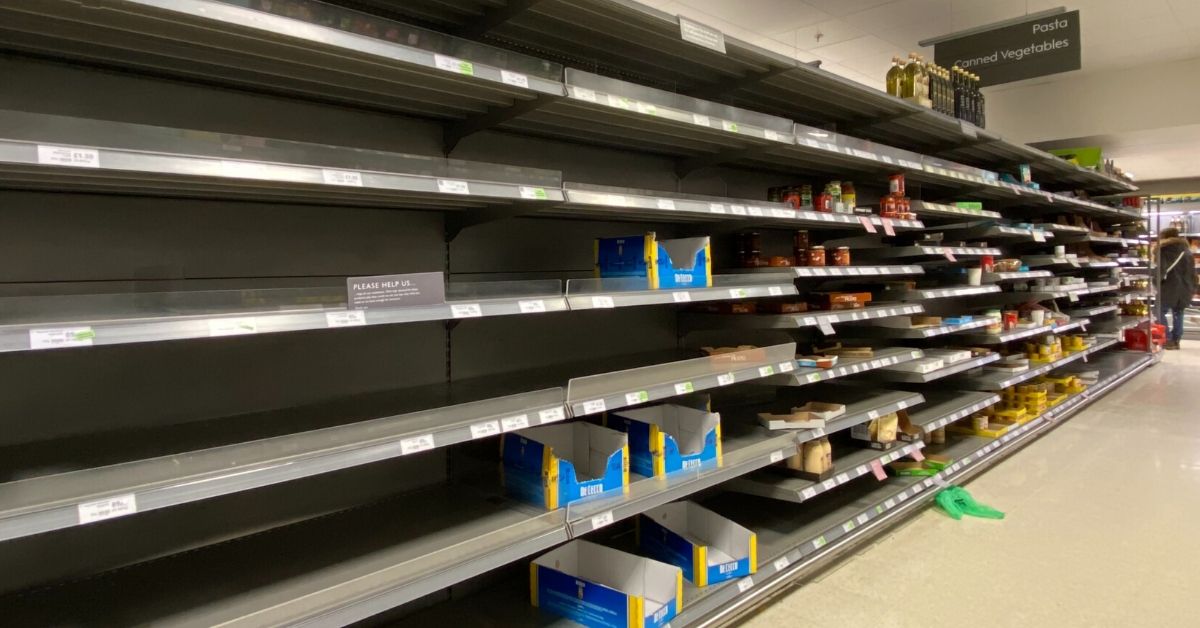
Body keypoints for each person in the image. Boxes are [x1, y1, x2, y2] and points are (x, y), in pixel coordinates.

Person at [1156, 227, 1196, 349]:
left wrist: (1155, 283)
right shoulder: (1187, 251)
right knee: (1178, 312)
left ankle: (1167, 339)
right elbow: (1192, 273)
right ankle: (1176, 340)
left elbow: (1161, 271)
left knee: (1158, 311)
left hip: (1170, 287)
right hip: (1186, 288)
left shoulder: (1164, 250)